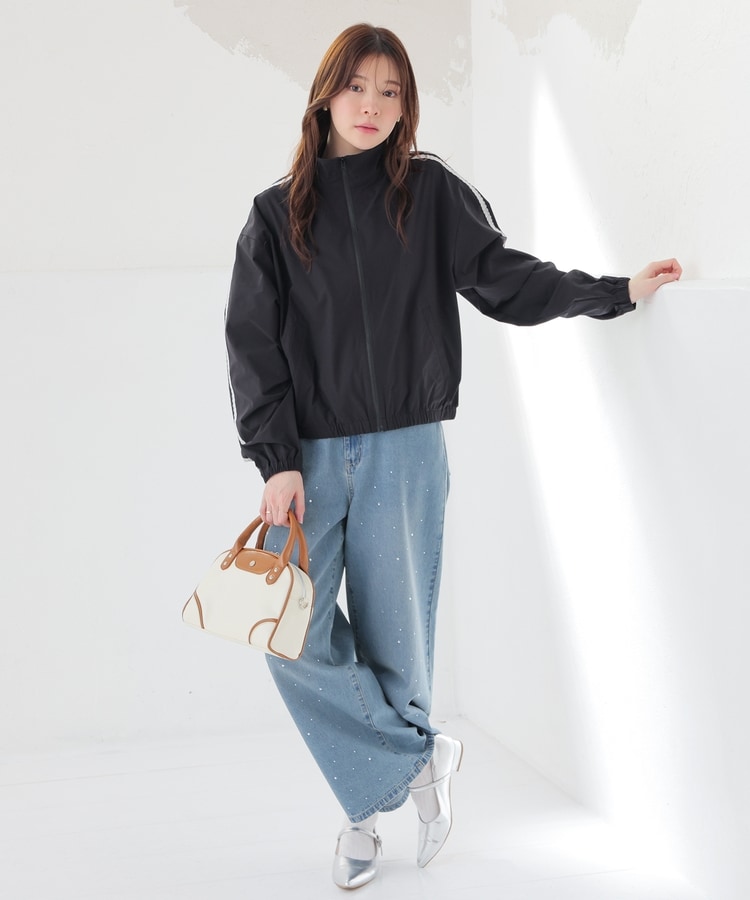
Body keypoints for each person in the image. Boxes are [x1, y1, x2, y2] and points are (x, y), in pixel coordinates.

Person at [224, 23, 681, 890]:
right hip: (306, 460)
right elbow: (252, 346)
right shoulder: (275, 215)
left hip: (406, 449)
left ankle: (361, 820)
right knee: (287, 632)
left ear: (407, 107)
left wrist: (614, 292)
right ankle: (417, 763)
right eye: (357, 86)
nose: (372, 105)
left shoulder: (428, 192)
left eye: (391, 92)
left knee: (397, 642)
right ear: (325, 94)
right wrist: (275, 458)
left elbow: (508, 279)